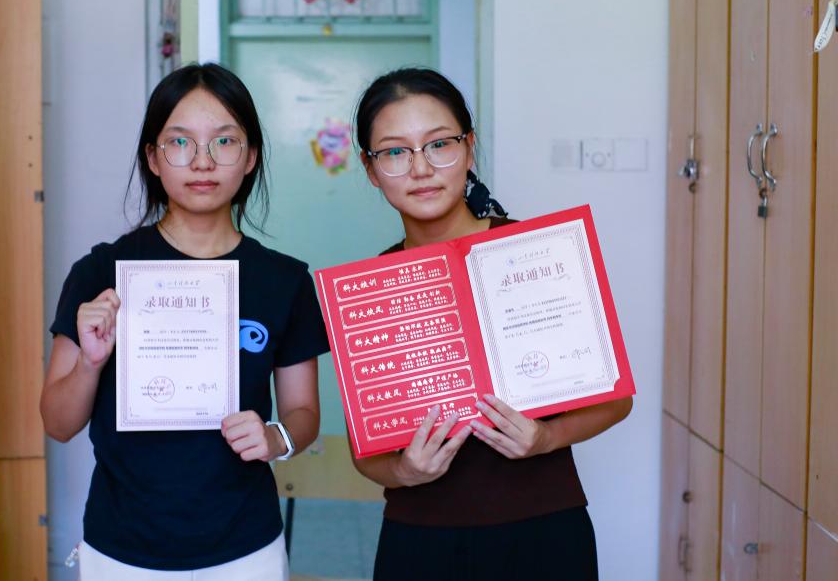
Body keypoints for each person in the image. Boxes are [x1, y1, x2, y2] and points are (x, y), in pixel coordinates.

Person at [40, 63, 328, 580]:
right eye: (179, 142)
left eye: (225, 141)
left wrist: (276, 437)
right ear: (153, 157)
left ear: (251, 156)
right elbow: (57, 424)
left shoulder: (284, 281)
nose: (202, 161)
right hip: (121, 548)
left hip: (246, 548)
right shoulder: (101, 273)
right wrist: (90, 363)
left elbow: (304, 412)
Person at [350, 67, 632, 581]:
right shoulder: (372, 289)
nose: (421, 168)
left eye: (440, 144)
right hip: (419, 538)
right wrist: (404, 471)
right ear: (371, 169)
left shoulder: (540, 252)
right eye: (394, 152)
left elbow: (616, 401)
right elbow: (365, 451)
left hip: (544, 531)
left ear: (470, 149)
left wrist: (545, 438)